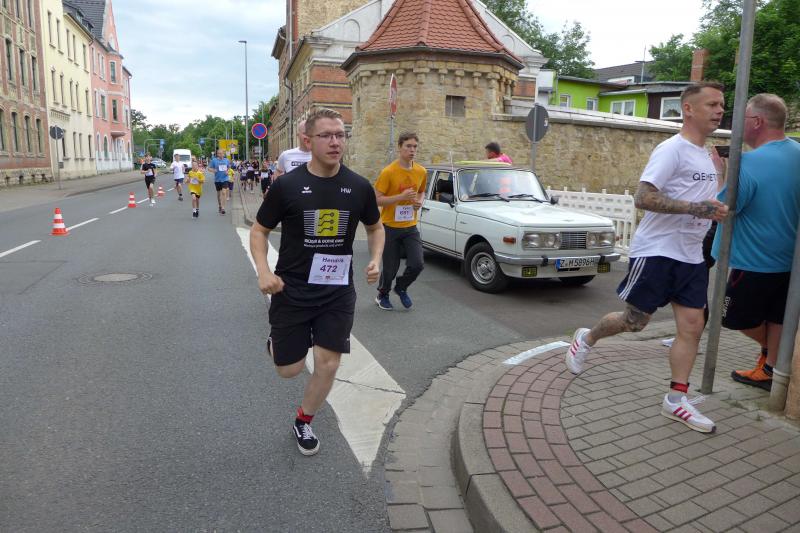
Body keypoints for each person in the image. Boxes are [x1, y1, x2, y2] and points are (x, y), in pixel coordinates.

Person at [565, 82, 729, 434]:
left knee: (692, 327)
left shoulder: (706, 154)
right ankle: (587, 338)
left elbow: (704, 196)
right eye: (712, 104)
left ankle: (676, 400)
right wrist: (695, 208)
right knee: (635, 322)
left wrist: (714, 204)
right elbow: (643, 197)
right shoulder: (671, 150)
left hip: (691, 255)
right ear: (688, 109)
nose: (720, 110)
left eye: (721, 104)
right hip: (658, 251)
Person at [249, 108, 385, 456]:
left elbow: (375, 227)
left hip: (337, 291)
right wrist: (264, 271)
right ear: (308, 141)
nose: (335, 142)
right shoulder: (287, 186)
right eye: (326, 135)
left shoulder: (359, 186)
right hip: (292, 289)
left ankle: (304, 420)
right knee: (289, 369)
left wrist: (375, 258)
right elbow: (259, 230)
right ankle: (280, 343)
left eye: (340, 135)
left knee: (329, 362)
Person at [711, 94, 800, 391]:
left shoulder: (747, 163)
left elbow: (724, 209)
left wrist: (721, 173)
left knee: (733, 317)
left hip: (753, 261)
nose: (737, 126)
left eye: (742, 119)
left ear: (757, 122)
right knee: (777, 317)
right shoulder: (797, 153)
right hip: (790, 261)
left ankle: (777, 355)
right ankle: (771, 368)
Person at [374, 132, 427, 310]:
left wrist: (419, 201)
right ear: (399, 147)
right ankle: (382, 294)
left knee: (417, 264)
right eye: (408, 146)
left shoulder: (421, 171)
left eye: (415, 147)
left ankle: (401, 287)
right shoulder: (388, 172)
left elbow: (422, 191)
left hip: (410, 226)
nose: (412, 150)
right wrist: (400, 197)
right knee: (390, 268)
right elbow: (377, 200)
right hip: (390, 227)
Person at [209, 149, 231, 215]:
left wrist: (227, 171)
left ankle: (223, 208)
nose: (220, 155)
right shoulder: (214, 160)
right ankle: (220, 206)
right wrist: (213, 170)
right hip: (217, 180)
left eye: (221, 153)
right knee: (219, 195)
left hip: (225, 179)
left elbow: (229, 167)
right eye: (219, 153)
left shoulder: (226, 160)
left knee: (224, 192)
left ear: (223, 154)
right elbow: (209, 168)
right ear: (217, 154)